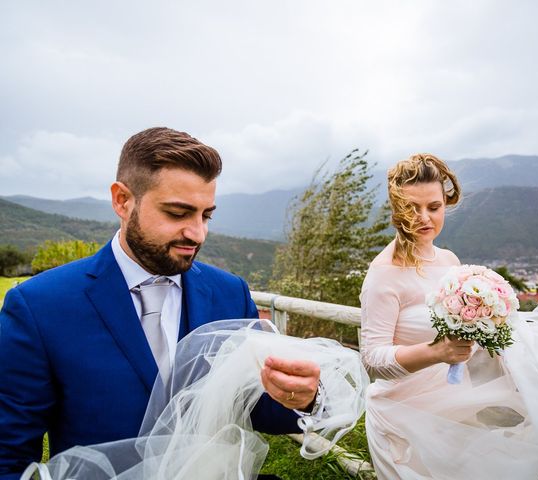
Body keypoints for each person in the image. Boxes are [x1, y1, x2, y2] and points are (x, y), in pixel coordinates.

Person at [0, 127, 323, 479]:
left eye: (206, 215)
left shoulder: (229, 293)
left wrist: (300, 397)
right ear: (122, 200)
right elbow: (8, 454)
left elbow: (260, 410)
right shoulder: (39, 306)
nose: (197, 233)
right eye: (177, 213)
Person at [359, 153, 538, 479]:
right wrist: (436, 352)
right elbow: (372, 358)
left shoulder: (449, 260)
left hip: (457, 406)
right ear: (396, 208)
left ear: (445, 204)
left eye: (433, 207)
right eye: (411, 208)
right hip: (404, 420)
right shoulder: (383, 273)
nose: (424, 217)